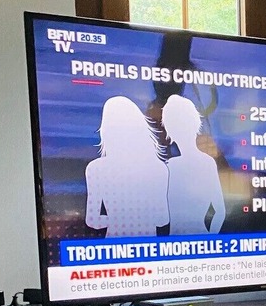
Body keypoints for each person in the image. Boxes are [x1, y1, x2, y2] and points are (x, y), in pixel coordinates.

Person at [85, 96, 169, 237]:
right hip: (151, 247)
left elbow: (93, 221)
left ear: (106, 129)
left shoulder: (96, 169)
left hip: (113, 246)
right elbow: (162, 220)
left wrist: (118, 219)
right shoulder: (158, 168)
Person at [161, 95, 226, 235]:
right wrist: (210, 240)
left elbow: (220, 211)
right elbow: (220, 212)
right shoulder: (207, 163)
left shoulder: (169, 168)